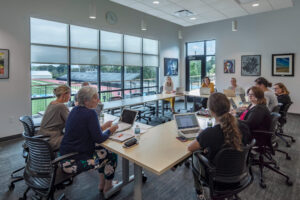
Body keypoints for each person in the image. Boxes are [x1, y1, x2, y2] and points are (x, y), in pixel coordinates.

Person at [188, 93, 251, 200]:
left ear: (211, 111)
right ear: (228, 106)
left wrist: (199, 135)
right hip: (240, 172)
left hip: (216, 177)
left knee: (195, 154)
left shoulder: (209, 133)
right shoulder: (244, 126)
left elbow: (190, 148)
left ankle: (199, 191)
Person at [60, 86, 119, 193]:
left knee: (102, 150)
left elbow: (89, 132)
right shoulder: (91, 113)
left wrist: (104, 127)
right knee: (111, 155)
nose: (98, 100)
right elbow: (99, 138)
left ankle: (102, 184)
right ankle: (108, 185)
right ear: (86, 101)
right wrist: (111, 130)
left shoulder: (75, 110)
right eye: (95, 98)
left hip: (66, 155)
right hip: (75, 160)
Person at [39, 85, 71, 150]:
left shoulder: (52, 103)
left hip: (42, 138)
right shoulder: (61, 106)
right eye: (69, 94)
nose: (70, 96)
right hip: (52, 140)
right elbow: (71, 122)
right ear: (64, 94)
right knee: (78, 137)